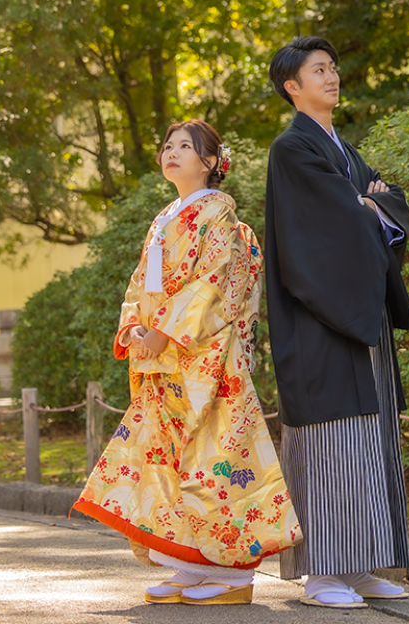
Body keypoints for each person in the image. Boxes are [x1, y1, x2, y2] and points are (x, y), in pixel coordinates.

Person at [72, 119, 301, 606]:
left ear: (212, 163)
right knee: (170, 461)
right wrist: (134, 327)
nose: (172, 152)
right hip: (164, 360)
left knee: (214, 460)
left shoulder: (218, 215)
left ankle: (233, 574)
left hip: (207, 361)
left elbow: (213, 283)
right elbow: (141, 284)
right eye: (168, 145)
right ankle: (189, 565)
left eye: (186, 146)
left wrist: (163, 331)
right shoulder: (164, 218)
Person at [265, 36, 409, 609]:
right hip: (318, 319)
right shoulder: (292, 149)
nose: (331, 77)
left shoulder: (344, 152)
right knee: (331, 442)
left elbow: (389, 201)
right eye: (318, 70)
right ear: (292, 86)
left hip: (361, 313)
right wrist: (367, 206)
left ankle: (364, 564)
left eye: (332, 68)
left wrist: (370, 206)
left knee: (371, 440)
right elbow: (329, 226)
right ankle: (322, 573)